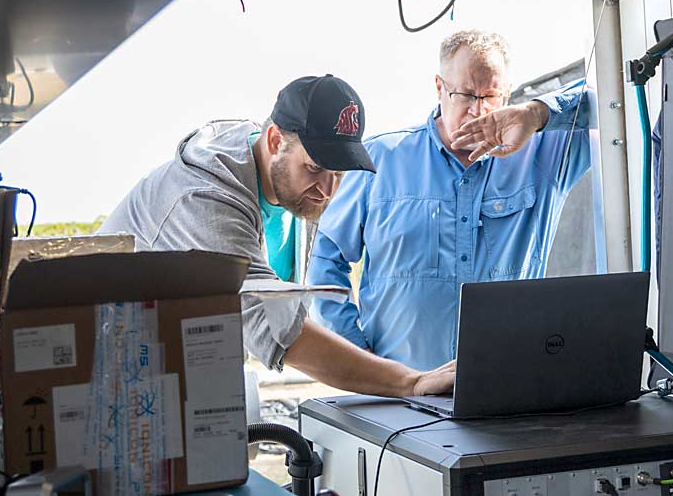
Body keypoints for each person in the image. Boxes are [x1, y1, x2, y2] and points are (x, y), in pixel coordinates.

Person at [98, 74, 454, 397]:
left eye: (339, 173)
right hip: (112, 377)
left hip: (185, 372)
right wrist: (410, 381)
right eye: (315, 167)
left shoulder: (295, 192)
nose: (327, 190)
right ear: (273, 141)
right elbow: (279, 332)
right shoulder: (205, 200)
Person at [306, 30, 591, 371]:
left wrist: (535, 114)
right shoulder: (380, 159)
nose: (478, 110)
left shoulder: (543, 156)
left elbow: (616, 98)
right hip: (400, 394)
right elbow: (325, 265)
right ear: (439, 87)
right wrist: (362, 361)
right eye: (466, 95)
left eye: (491, 96)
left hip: (507, 386)